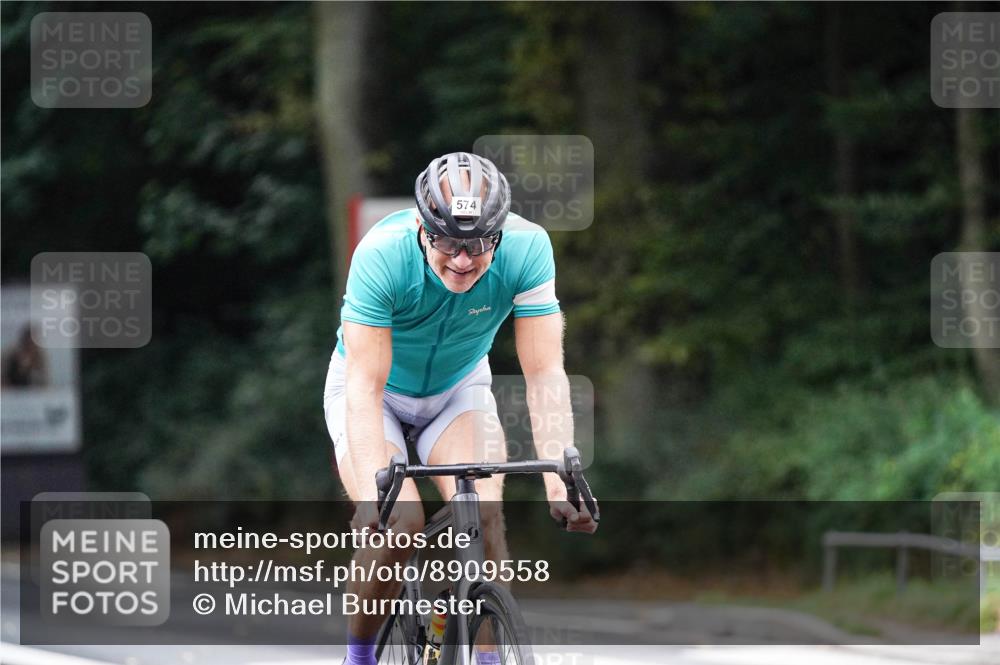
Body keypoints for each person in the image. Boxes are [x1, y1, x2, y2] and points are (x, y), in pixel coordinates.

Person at [324, 152, 597, 665]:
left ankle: (488, 657)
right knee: (398, 523)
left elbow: (543, 374)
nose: (463, 259)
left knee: (486, 513)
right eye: (447, 240)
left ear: (497, 234)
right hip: (372, 392)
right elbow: (363, 388)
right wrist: (370, 500)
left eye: (476, 243)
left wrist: (559, 484)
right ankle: (358, 657)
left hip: (457, 387)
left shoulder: (528, 248)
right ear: (423, 229)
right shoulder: (382, 253)